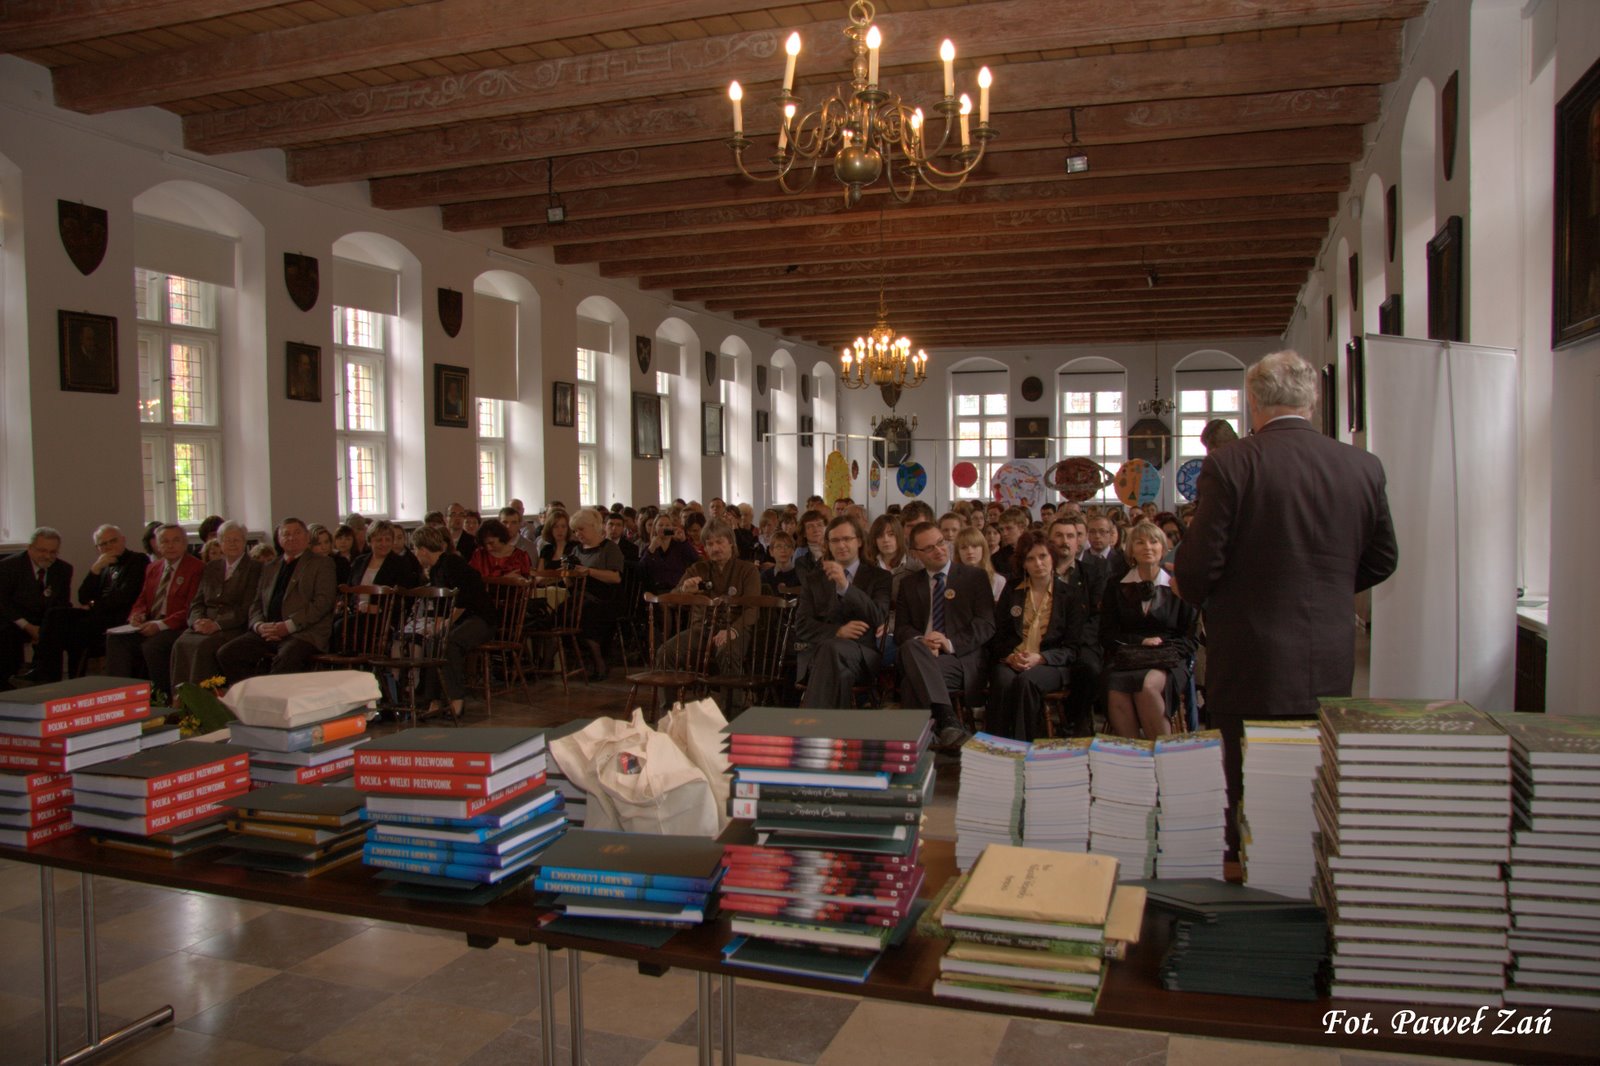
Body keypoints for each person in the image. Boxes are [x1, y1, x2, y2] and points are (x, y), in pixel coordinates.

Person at [1175, 349, 1398, 850]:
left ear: (1253, 402)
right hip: (1328, 655)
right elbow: (1384, 558)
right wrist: (1327, 588)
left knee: (1246, 786)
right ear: (1313, 402)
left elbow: (1197, 569)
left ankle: (1246, 874)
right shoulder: (1361, 465)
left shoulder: (1231, 464)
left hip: (1250, 655)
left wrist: (1203, 589)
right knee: (1312, 779)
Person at [895, 521, 996, 750]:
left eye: (941, 542)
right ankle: (948, 721)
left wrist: (948, 643)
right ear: (915, 554)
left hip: (960, 657)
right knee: (911, 646)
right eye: (929, 548)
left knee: (911, 682)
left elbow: (986, 625)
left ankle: (920, 744)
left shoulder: (974, 577)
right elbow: (901, 629)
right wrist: (924, 641)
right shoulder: (909, 584)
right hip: (922, 654)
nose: (939, 550)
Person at [986, 533, 1089, 741]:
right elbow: (998, 636)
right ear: (1023, 564)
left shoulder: (1070, 595)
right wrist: (1010, 657)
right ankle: (996, 745)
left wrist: (1041, 658)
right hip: (1013, 660)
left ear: (1052, 557)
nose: (1038, 563)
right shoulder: (1012, 590)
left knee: (1026, 681)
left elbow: (1073, 648)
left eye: (1043, 556)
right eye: (1030, 559)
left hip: (1051, 664)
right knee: (1003, 681)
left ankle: (1023, 744)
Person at [1102, 522, 1198, 739]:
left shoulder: (1178, 584)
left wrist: (1162, 648)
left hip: (1169, 657)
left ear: (1163, 548)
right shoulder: (1115, 585)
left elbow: (1190, 638)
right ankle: (1134, 754)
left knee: (1146, 687)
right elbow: (1107, 634)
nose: (1147, 547)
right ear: (1131, 550)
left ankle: (1161, 750)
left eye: (1154, 542)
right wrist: (1140, 643)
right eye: (1140, 542)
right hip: (1128, 656)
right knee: (1115, 687)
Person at [216, 517, 339, 679]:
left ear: (307, 537)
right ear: (279, 539)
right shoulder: (270, 566)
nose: (291, 537)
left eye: (297, 533)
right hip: (268, 631)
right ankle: (252, 692)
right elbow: (256, 602)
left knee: (285, 659)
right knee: (227, 653)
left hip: (303, 633)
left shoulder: (322, 564)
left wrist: (288, 626)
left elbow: (323, 603)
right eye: (286, 534)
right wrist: (259, 626)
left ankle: (272, 694)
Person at [794, 515, 891, 709]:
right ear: (828, 545)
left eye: (847, 539)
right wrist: (837, 631)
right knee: (834, 657)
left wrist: (846, 587)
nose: (841, 545)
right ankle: (833, 723)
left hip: (862, 655)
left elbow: (878, 616)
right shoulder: (814, 579)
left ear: (859, 541)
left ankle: (812, 719)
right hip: (819, 655)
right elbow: (802, 626)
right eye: (835, 540)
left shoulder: (880, 577)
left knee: (833, 653)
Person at [29, 525, 145, 682]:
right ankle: (44, 673)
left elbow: (122, 598)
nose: (108, 546)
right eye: (103, 544)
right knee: (55, 614)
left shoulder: (137, 560)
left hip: (120, 618)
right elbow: (83, 596)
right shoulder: (103, 565)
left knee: (70, 630)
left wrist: (93, 604)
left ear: (123, 540)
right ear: (97, 548)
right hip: (97, 616)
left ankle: (47, 674)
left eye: (113, 541)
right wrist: (95, 569)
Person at [102, 524, 205, 700]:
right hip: (150, 623)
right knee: (116, 639)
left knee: (153, 646)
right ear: (157, 545)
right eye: (164, 541)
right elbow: (142, 599)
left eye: (175, 541)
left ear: (185, 543)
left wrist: (160, 625)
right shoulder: (153, 568)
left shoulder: (197, 568)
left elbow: (191, 608)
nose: (170, 546)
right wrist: (137, 615)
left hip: (177, 626)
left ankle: (162, 698)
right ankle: (120, 696)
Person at [657, 521, 762, 682]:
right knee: (666, 652)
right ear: (705, 548)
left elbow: (752, 609)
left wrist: (732, 631)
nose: (715, 548)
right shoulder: (697, 569)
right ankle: (672, 699)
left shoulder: (748, 570)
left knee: (726, 652)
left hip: (735, 629)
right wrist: (685, 590)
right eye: (710, 544)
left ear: (731, 543)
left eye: (719, 542)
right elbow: (671, 600)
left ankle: (732, 698)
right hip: (701, 630)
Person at [409, 524, 493, 721]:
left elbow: (463, 600)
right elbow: (441, 607)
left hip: (480, 619)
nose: (415, 554)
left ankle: (456, 699)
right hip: (462, 620)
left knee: (450, 642)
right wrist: (436, 627)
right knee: (433, 641)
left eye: (415, 549)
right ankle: (434, 700)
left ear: (423, 550)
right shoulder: (436, 570)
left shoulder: (451, 563)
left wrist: (445, 625)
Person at [170, 522, 263, 687]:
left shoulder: (255, 568)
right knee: (180, 643)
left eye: (237, 540)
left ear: (244, 542)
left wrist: (217, 625)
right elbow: (197, 602)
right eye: (227, 540)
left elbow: (247, 607)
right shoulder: (211, 567)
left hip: (232, 627)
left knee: (202, 647)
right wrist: (196, 621)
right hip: (204, 623)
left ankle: (204, 697)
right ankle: (181, 697)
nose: (232, 544)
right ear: (220, 543)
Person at [1049, 516, 1107, 736]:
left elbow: (1097, 616)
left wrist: (1073, 640)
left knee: (1090, 669)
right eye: (1059, 536)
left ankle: (1075, 722)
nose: (1065, 541)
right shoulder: (1041, 571)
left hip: (1082, 641)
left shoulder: (1094, 573)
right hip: (1047, 639)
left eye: (1070, 536)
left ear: (1078, 541)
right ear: (1050, 540)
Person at [0, 528, 74, 686]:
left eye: (53, 552)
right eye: (42, 551)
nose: (47, 556)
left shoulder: (63, 570)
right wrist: (27, 627)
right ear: (30, 548)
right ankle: (9, 682)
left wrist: (44, 629)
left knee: (58, 628)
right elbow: (3, 602)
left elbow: (62, 604)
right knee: (5, 633)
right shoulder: (8, 567)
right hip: (16, 620)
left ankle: (48, 681)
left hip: (45, 620)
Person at [567, 508, 625, 679]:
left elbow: (615, 577)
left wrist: (589, 571)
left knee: (585, 617)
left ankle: (599, 663)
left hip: (605, 599)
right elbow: (570, 584)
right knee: (559, 616)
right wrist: (567, 573)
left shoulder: (610, 548)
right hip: (581, 597)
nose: (578, 534)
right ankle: (548, 664)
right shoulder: (576, 550)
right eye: (575, 531)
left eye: (581, 529)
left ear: (594, 526)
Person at [351, 519, 425, 589]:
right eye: (379, 540)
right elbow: (349, 589)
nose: (384, 544)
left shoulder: (401, 564)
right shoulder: (359, 561)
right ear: (370, 542)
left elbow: (406, 592)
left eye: (388, 540)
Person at [641, 514, 699, 594]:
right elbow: (642, 569)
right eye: (660, 525)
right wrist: (651, 549)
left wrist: (684, 541)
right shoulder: (650, 548)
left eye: (667, 525)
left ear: (672, 527)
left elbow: (695, 559)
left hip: (677, 590)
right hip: (655, 590)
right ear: (655, 528)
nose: (664, 527)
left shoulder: (680, 546)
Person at [466, 518, 532, 580]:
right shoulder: (479, 555)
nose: (488, 548)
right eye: (485, 544)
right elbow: (470, 579)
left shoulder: (520, 556)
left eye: (491, 543)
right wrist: (503, 579)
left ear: (501, 537)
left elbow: (528, 580)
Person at [955, 527, 1005, 602]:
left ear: (983, 549)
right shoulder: (950, 580)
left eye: (974, 546)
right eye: (964, 548)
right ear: (958, 553)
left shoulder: (998, 581)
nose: (970, 551)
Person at [1086, 513, 1128, 581]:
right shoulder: (1080, 558)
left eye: (1102, 531)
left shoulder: (1123, 560)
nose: (1097, 536)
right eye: (1092, 531)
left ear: (1111, 534)